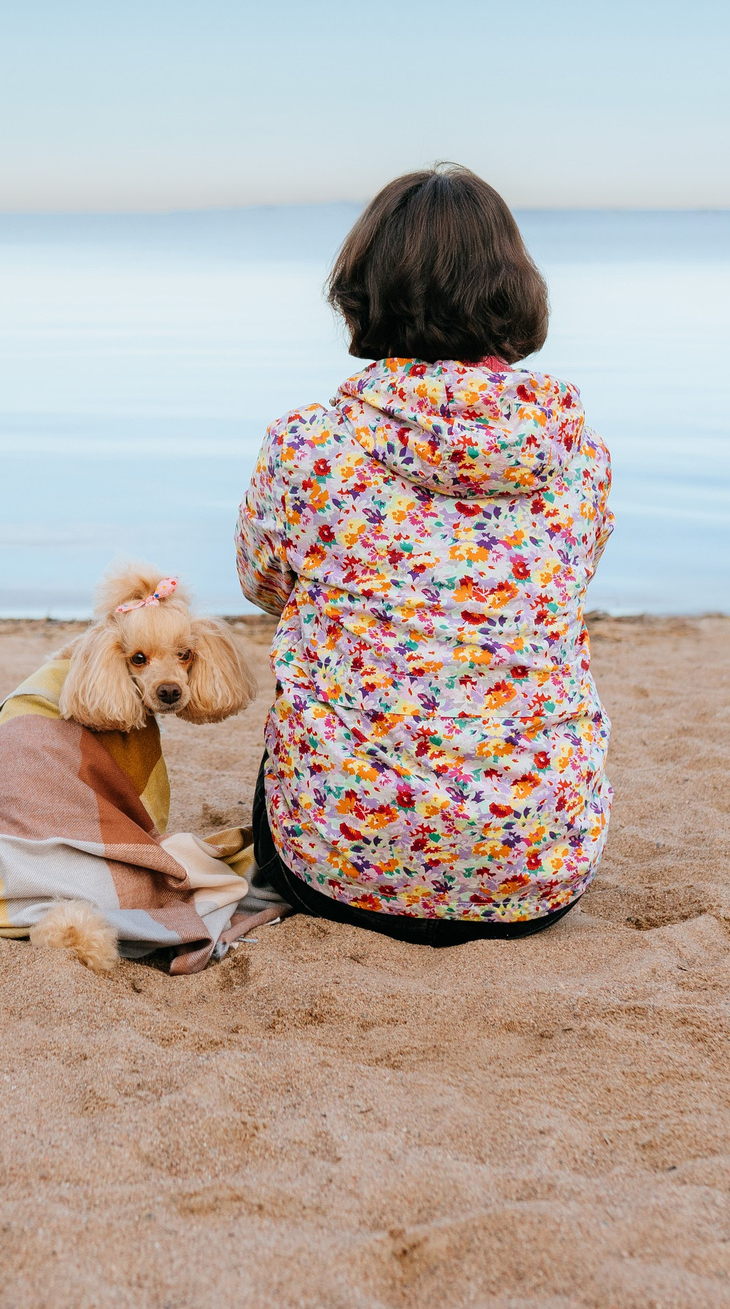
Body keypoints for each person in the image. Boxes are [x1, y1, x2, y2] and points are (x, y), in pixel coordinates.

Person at [236, 164, 613, 945]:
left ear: (364, 286)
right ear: (514, 286)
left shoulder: (308, 442)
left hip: (343, 872)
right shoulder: (579, 453)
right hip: (538, 873)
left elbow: (264, 583)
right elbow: (568, 585)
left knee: (308, 677)